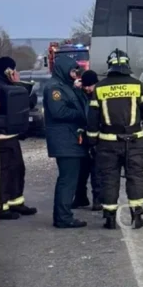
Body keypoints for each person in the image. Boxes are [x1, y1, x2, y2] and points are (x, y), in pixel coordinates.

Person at [86, 49, 143, 230]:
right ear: (127, 64)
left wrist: (92, 142)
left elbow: (92, 120)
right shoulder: (138, 86)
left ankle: (110, 218)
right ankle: (137, 215)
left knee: (109, 179)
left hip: (107, 142)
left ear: (110, 66)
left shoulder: (100, 88)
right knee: (136, 177)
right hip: (135, 141)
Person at [43, 55, 89, 228]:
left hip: (70, 139)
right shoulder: (54, 88)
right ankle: (63, 217)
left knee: (70, 179)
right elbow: (59, 112)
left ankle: (63, 215)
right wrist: (82, 114)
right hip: (65, 140)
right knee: (67, 180)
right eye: (72, 71)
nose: (74, 74)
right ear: (63, 69)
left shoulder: (66, 86)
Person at [0, 57, 38, 220]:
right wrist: (18, 84)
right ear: (8, 70)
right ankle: (2, 207)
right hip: (2, 137)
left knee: (17, 170)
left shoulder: (6, 84)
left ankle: (16, 202)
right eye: (13, 69)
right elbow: (22, 102)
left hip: (11, 136)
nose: (15, 72)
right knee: (5, 173)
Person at [74, 70, 102, 211]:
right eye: (85, 86)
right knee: (81, 170)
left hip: (98, 137)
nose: (87, 88)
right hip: (84, 135)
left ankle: (98, 200)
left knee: (97, 171)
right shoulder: (82, 94)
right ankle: (81, 198)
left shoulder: (101, 95)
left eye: (89, 86)